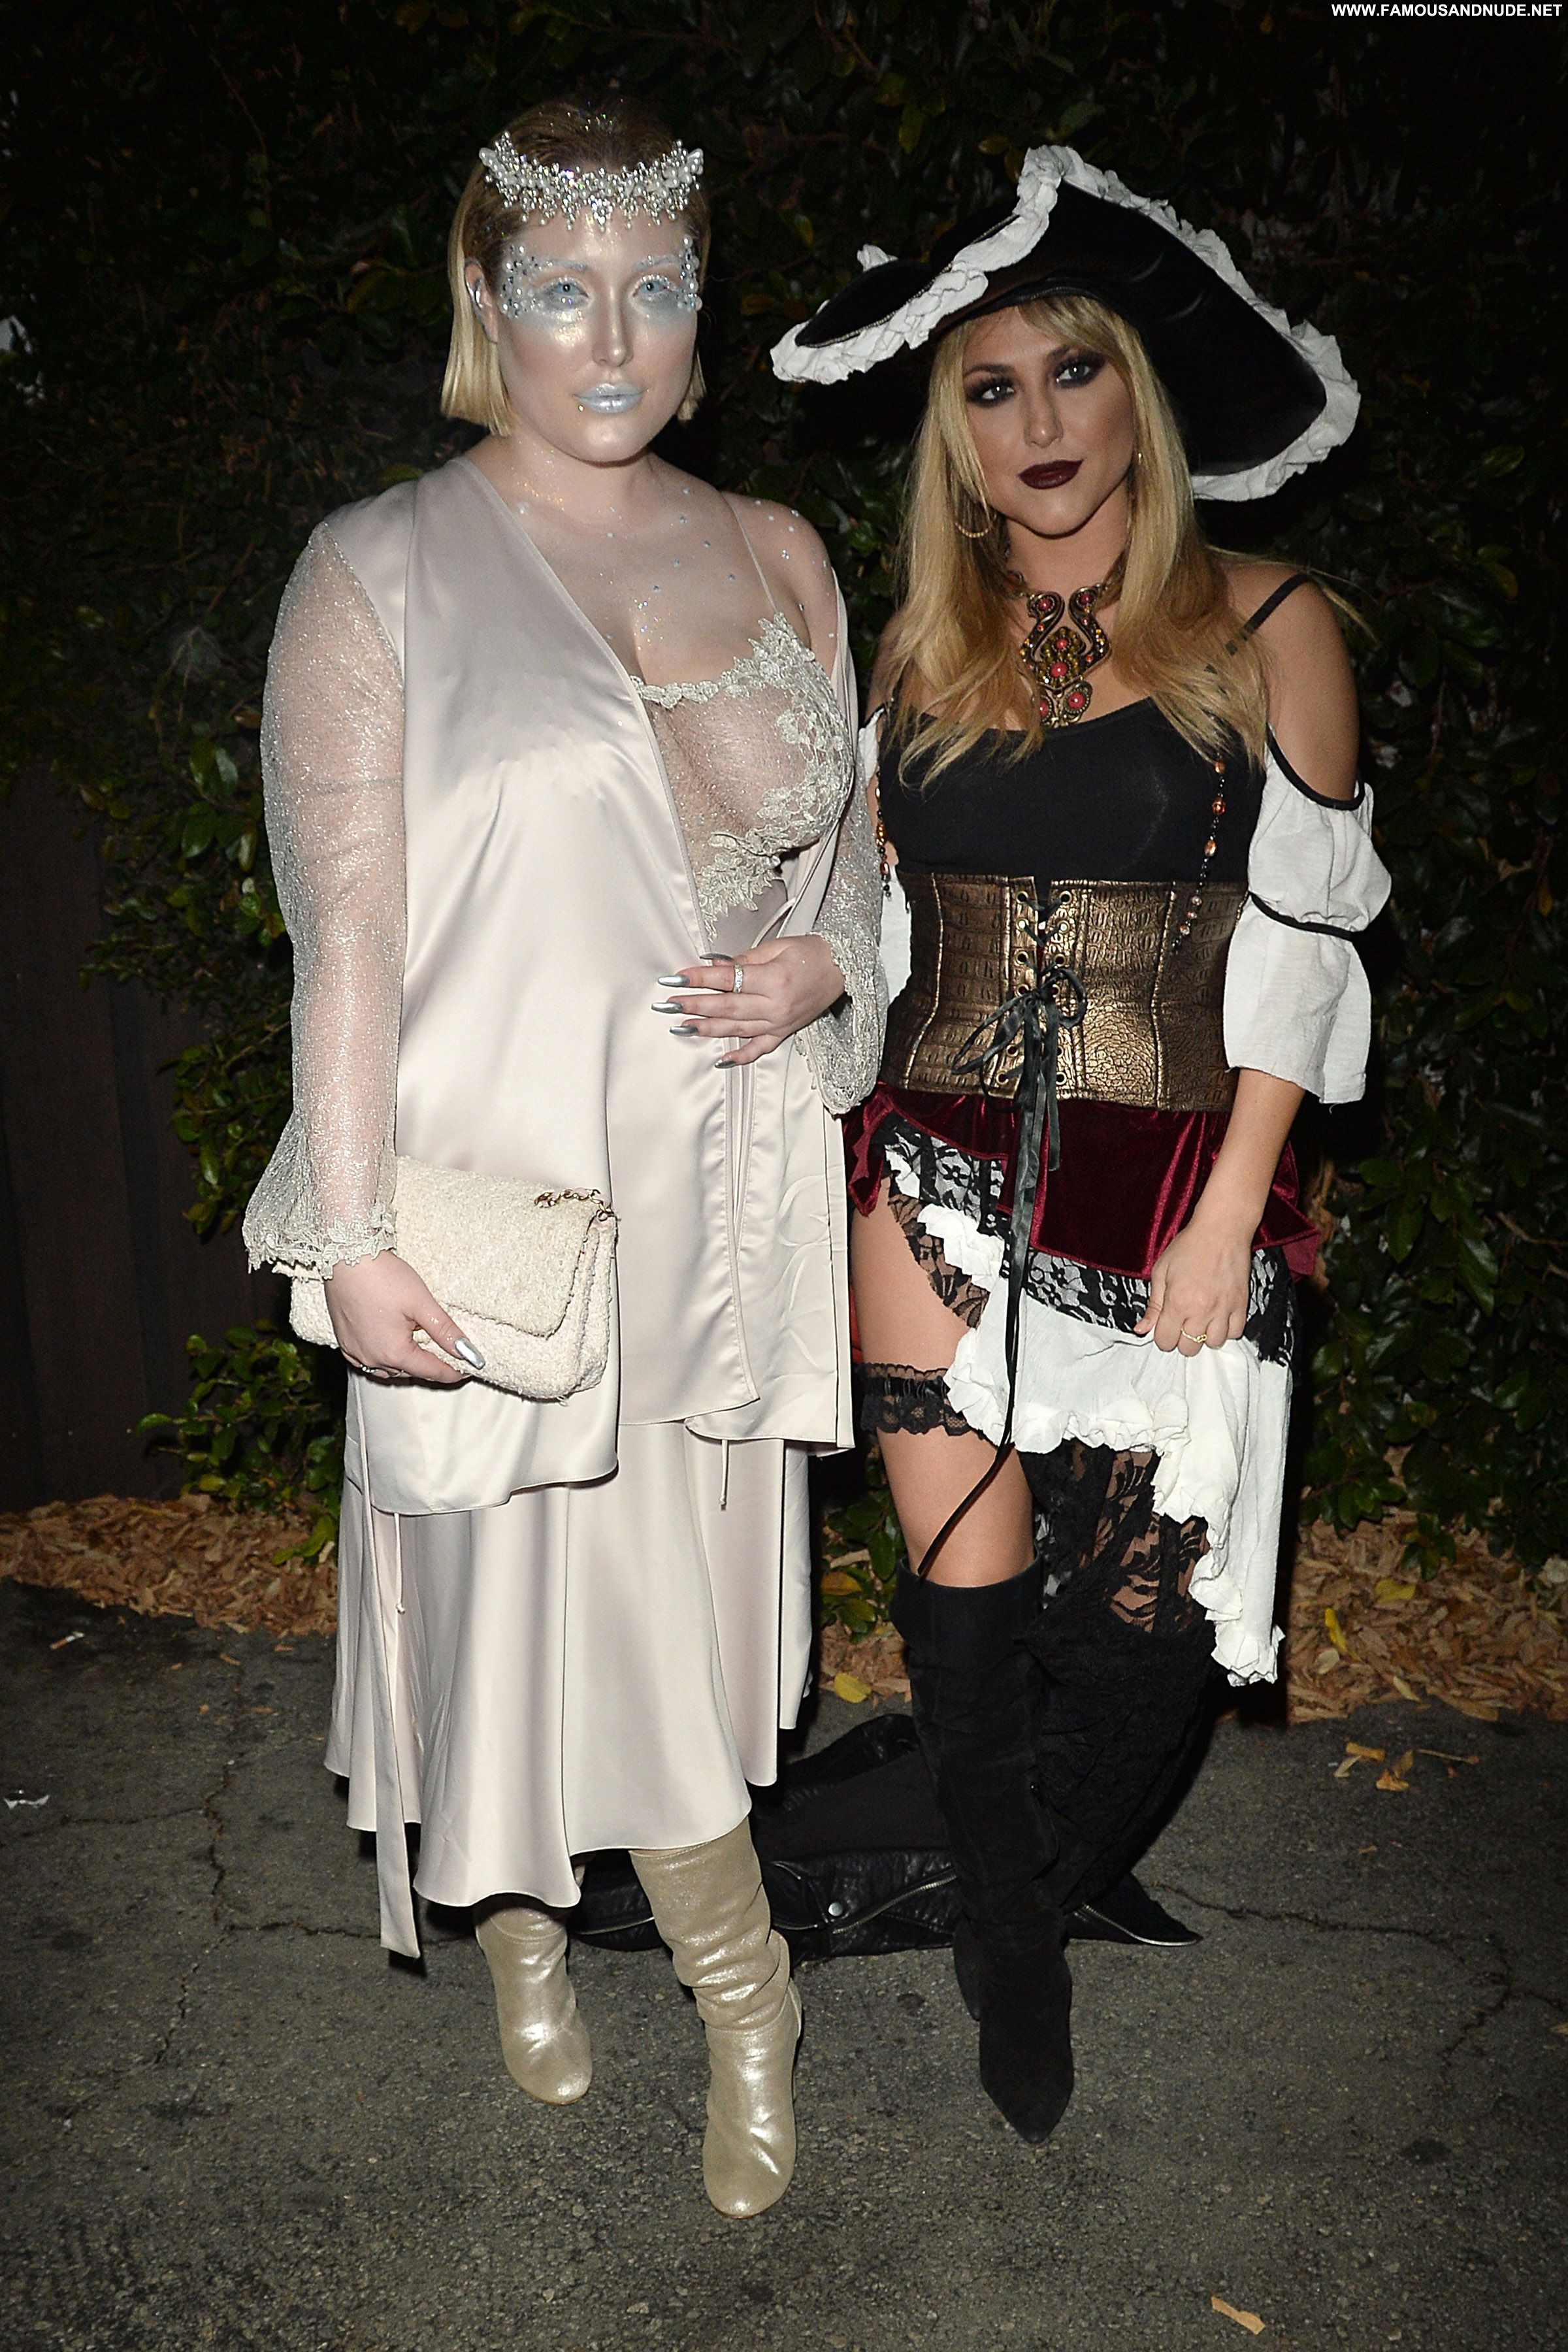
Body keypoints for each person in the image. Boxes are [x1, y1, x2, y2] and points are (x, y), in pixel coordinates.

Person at [242, 98, 885, 2218]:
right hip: (511, 1212)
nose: (614, 339)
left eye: (658, 289)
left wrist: (825, 969)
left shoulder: (779, 548)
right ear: (488, 303)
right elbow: (347, 940)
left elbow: (859, 867)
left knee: (666, 1634)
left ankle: (712, 1986)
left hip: (732, 1208)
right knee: (524, 1605)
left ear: (704, 312)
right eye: (564, 291)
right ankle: (644, 1960)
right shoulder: (375, 570)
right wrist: (350, 1235)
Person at [774, 146, 1389, 2142]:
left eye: (1072, 372)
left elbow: (1300, 954)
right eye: (989, 387)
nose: (1036, 422)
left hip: (1174, 1189)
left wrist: (1235, 1212)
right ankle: (1013, 1963)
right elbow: (868, 933)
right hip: (932, 1175)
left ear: (1138, 392)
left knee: (1142, 1667)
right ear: (951, 436)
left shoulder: (1273, 620)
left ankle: (1004, 1878)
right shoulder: (911, 651)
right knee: (967, 1628)